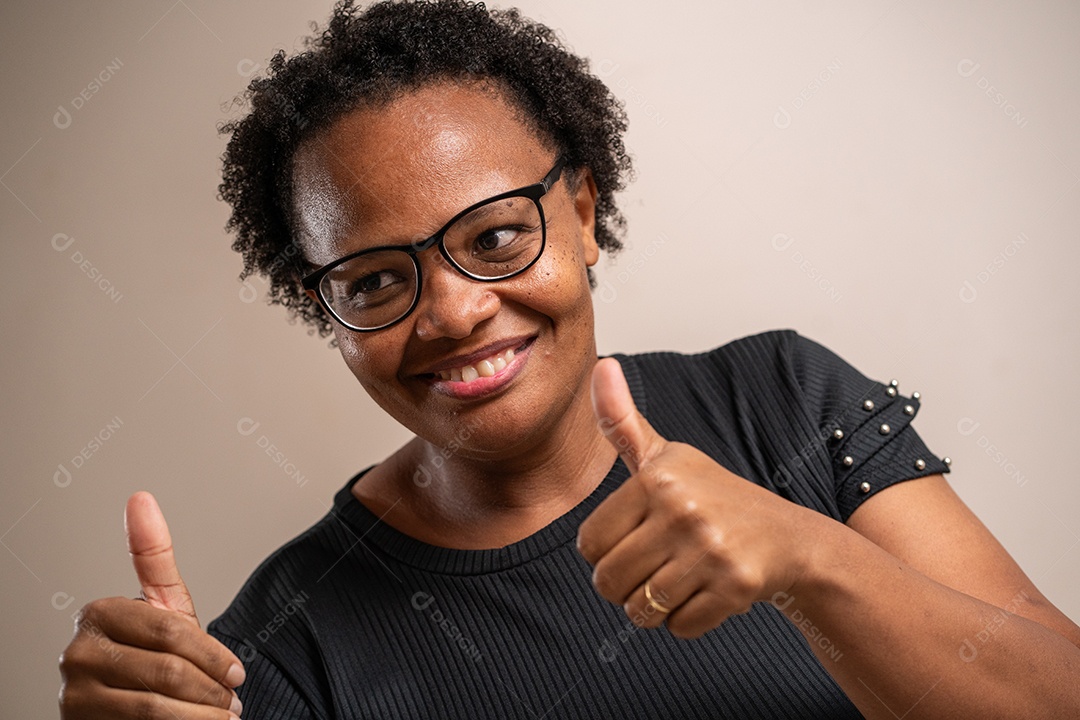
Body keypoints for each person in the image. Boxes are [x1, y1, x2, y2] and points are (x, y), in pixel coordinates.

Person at [58, 1, 1080, 718]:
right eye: (374, 282)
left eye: (497, 236)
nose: (455, 312)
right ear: (324, 312)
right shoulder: (274, 656)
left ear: (583, 213)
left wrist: (810, 560)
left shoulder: (783, 403)